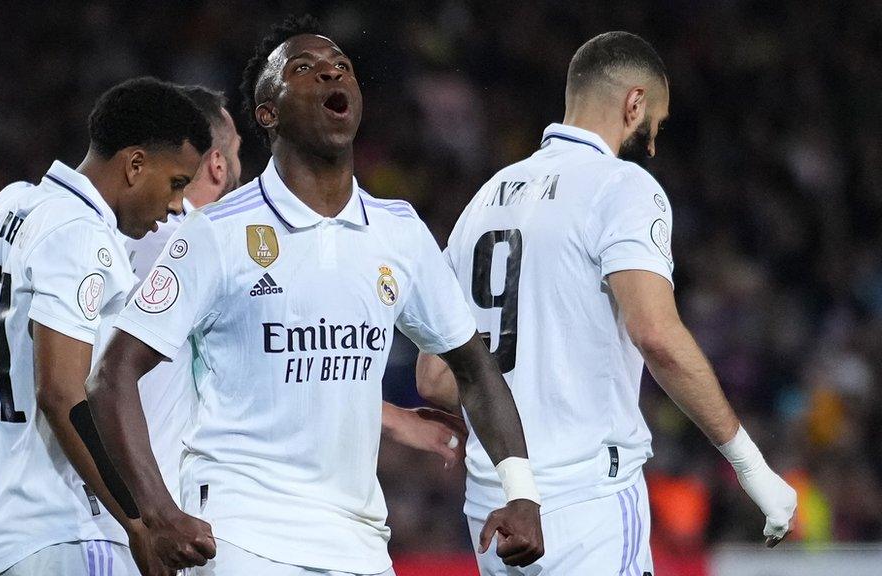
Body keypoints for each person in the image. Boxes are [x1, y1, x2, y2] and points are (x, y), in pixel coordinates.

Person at [85, 15, 544, 576]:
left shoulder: (398, 232)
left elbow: (473, 367)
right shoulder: (216, 234)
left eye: (341, 68)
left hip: (360, 543)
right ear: (267, 113)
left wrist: (521, 490)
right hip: (243, 535)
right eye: (304, 69)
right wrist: (157, 515)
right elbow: (112, 373)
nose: (331, 74)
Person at [417, 31, 798, 575]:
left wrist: (527, 382)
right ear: (634, 102)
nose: (653, 142)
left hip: (493, 507)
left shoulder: (483, 200)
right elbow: (656, 334)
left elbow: (435, 377)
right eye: (656, 124)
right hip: (586, 505)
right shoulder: (622, 187)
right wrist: (752, 467)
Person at [0, 77, 210, 576]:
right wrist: (139, 524)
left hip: (0, 543)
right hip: (69, 534)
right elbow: (60, 394)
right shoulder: (80, 234)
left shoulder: (8, 206)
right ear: (134, 165)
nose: (175, 206)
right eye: (175, 184)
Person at [112, 85, 476, 510]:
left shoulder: (124, 241)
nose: (241, 169)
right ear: (215, 165)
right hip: (163, 503)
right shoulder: (202, 246)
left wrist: (393, 420)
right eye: (236, 153)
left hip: (115, 496)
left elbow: (273, 371)